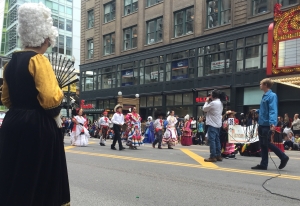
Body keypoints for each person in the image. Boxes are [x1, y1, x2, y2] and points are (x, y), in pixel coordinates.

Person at [0, 3, 70, 205]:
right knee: (38, 174)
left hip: (13, 122)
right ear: (46, 38)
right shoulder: (39, 61)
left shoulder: (9, 64)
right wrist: (60, 97)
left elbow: (6, 100)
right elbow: (50, 99)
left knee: (14, 171)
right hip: (37, 124)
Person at [251, 78, 289, 170]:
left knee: (266, 143)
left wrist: (272, 123)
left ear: (265, 85)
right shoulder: (264, 96)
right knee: (263, 144)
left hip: (267, 124)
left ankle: (283, 157)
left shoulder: (272, 96)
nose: (260, 85)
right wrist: (257, 110)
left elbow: (273, 110)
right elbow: (265, 110)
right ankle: (264, 164)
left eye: (261, 84)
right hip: (262, 123)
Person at [203, 90, 224, 162]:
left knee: (212, 140)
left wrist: (206, 101)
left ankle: (213, 156)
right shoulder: (220, 102)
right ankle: (218, 155)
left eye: (211, 95)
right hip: (218, 124)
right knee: (217, 140)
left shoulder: (213, 103)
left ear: (213, 96)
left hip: (212, 124)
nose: (209, 96)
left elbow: (204, 109)